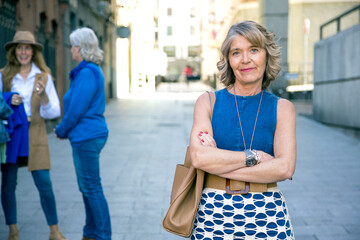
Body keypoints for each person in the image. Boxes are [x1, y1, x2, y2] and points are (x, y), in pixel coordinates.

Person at [189, 21, 296, 239]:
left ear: (266, 55)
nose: (245, 59)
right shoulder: (207, 102)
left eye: (253, 50)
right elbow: (199, 158)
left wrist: (217, 164)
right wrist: (255, 157)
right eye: (236, 52)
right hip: (212, 214)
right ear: (228, 60)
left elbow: (285, 168)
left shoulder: (282, 108)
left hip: (267, 216)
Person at [0, 31, 66, 240]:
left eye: (27, 48)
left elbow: (54, 111)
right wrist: (8, 100)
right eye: (19, 48)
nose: (23, 52)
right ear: (14, 51)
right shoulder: (4, 75)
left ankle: (54, 231)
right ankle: (13, 230)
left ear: (33, 51)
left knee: (44, 182)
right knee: (9, 183)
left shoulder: (44, 76)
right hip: (12, 133)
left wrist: (43, 95)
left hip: (36, 131)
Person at [55, 27, 111, 240]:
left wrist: (61, 129)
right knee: (87, 187)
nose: (71, 50)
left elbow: (76, 109)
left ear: (80, 48)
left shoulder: (87, 72)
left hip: (87, 136)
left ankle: (103, 235)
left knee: (92, 187)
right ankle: (90, 233)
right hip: (86, 135)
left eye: (72, 46)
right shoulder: (89, 70)